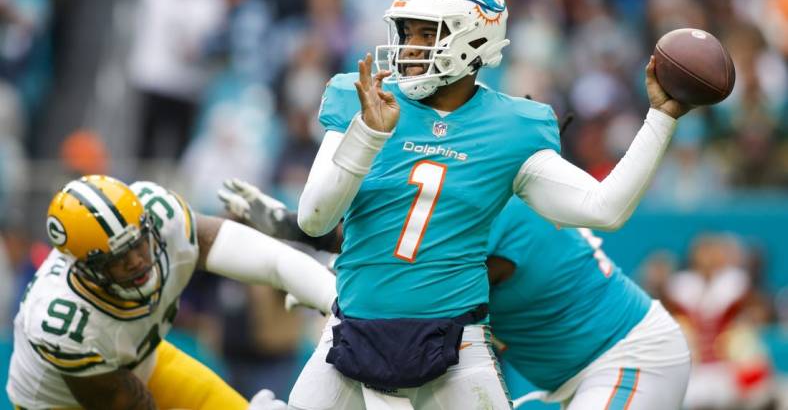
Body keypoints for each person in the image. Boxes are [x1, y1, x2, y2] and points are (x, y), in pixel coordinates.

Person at [292, 0, 691, 408]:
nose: (410, 48)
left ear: (473, 40)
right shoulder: (362, 96)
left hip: (459, 345)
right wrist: (367, 134)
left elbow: (605, 208)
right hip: (352, 331)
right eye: (407, 32)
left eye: (429, 34)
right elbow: (314, 218)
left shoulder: (511, 127)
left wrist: (661, 117)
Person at [219, 182, 692, 409]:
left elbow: (419, 288)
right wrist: (294, 229)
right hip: (564, 377)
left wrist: (322, 281)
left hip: (628, 358)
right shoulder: (482, 201)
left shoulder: (501, 219)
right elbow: (400, 250)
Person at [6, 175, 334, 410]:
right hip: (60, 400)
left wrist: (333, 299)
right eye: (118, 259)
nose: (136, 260)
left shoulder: (161, 216)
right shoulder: (64, 322)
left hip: (142, 358)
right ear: (87, 269)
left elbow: (272, 261)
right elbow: (132, 404)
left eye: (137, 244)